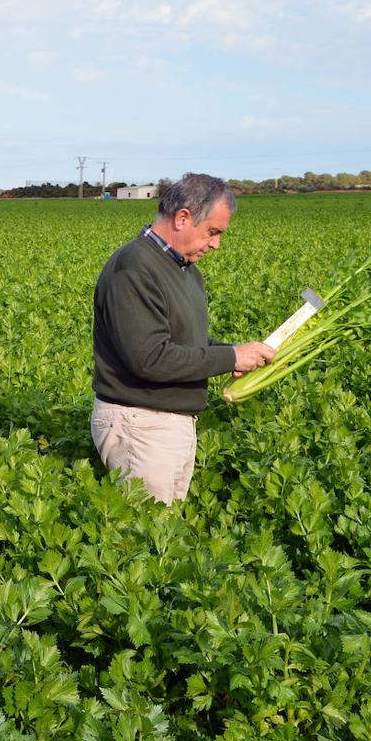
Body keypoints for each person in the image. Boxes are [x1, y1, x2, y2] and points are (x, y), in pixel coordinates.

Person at [91, 173, 275, 503]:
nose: (216, 244)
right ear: (183, 218)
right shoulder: (134, 268)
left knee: (165, 530)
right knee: (150, 539)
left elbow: (183, 345)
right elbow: (150, 358)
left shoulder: (184, 270)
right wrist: (229, 358)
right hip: (141, 423)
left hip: (163, 424)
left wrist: (235, 352)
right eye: (213, 232)